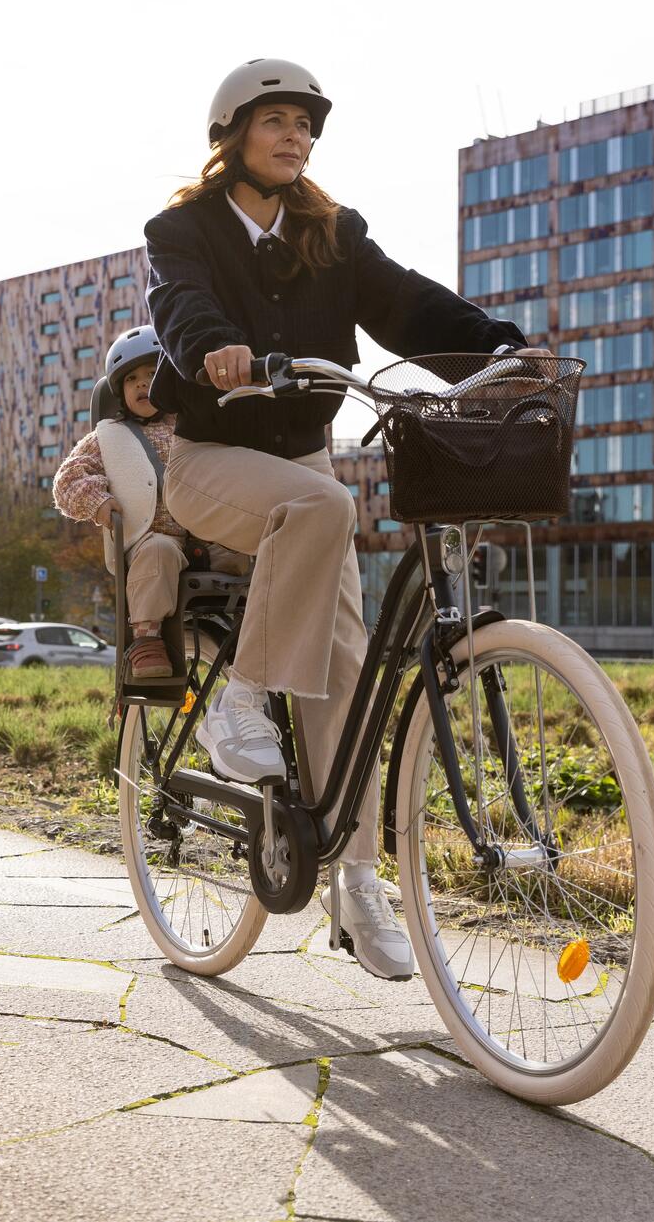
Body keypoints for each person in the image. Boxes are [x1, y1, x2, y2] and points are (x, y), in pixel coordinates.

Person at [143, 58, 547, 980]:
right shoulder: (184, 229)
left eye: (307, 125)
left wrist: (496, 345)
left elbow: (406, 303)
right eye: (278, 119)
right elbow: (180, 306)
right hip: (208, 462)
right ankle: (239, 701)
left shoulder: (333, 232)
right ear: (233, 132)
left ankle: (357, 884)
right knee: (322, 504)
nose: (297, 136)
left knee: (347, 673)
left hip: (307, 465)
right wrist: (214, 352)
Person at [50, 326, 188, 680]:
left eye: (153, 374)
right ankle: (146, 640)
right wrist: (98, 500)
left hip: (201, 529)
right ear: (119, 391)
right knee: (159, 552)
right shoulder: (107, 436)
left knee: (239, 551)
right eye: (133, 378)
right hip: (148, 534)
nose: (143, 384)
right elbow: (69, 479)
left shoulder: (190, 427)